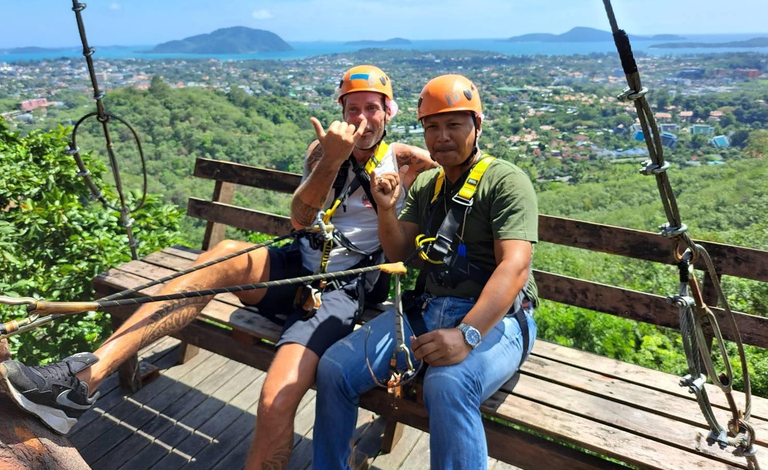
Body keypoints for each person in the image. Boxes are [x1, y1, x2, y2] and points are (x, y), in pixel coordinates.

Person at [0, 65, 436, 469]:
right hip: (298, 263)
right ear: (340, 111)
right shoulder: (323, 150)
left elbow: (449, 181)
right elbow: (301, 220)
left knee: (274, 401)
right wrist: (332, 160)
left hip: (341, 288)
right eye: (353, 107)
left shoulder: (407, 161)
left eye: (373, 108)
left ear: (388, 113)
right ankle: (81, 380)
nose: (362, 118)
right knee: (220, 255)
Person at [312, 74, 539, 470]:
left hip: (500, 317)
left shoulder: (506, 181)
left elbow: (515, 266)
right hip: (431, 307)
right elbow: (399, 248)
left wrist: (468, 334)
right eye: (432, 126)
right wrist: (386, 209)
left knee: (448, 384)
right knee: (334, 368)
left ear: (477, 125)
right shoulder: (428, 185)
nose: (442, 136)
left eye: (454, 124)